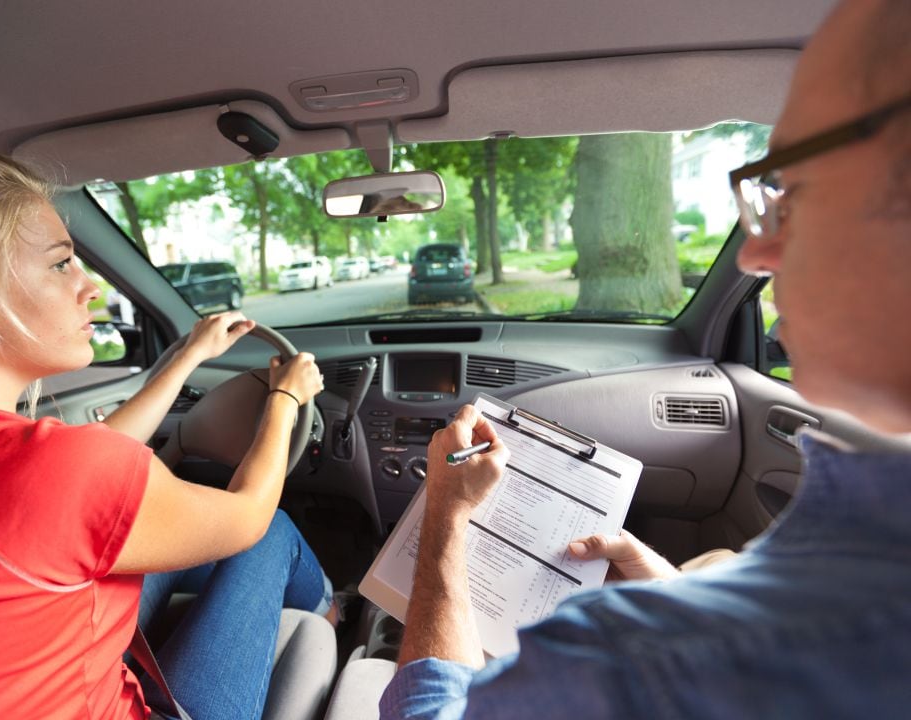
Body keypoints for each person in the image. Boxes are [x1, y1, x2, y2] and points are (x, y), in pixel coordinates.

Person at [380, 0, 911, 717]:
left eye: (789, 182)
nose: (755, 250)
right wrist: (681, 606)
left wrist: (444, 522)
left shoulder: (639, 656)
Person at [0, 132, 333, 719]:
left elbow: (86, 473)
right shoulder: (47, 468)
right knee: (270, 531)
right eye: (62, 261)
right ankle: (336, 621)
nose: (91, 287)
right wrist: (285, 399)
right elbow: (243, 517)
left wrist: (189, 356)